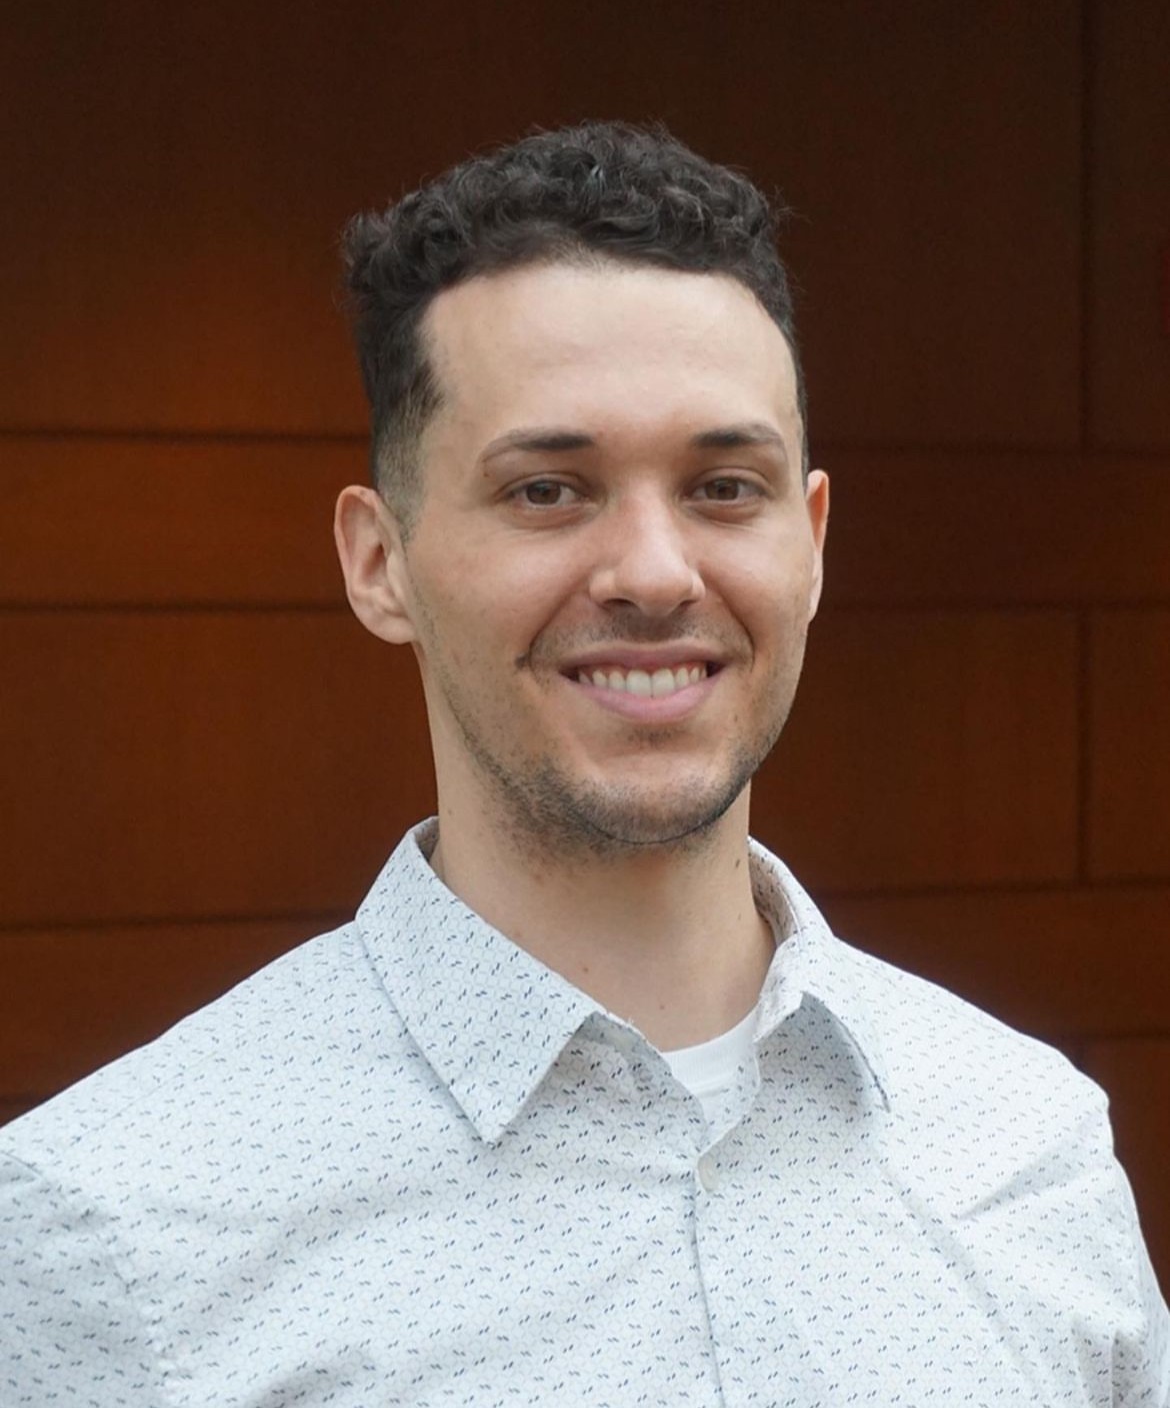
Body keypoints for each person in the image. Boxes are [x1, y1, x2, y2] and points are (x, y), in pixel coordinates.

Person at [1, 122, 1166, 1407]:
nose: (658, 573)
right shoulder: (109, 1228)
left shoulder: (1028, 1140)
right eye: (549, 489)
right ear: (377, 560)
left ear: (815, 542)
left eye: (725, 485)